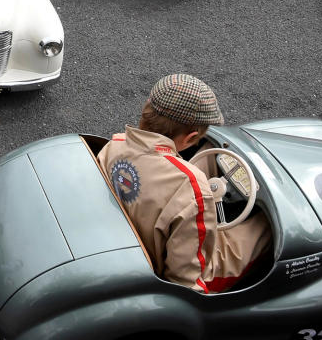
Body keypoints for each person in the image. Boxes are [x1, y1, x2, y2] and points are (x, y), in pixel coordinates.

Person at [97, 74, 272, 293]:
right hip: (172, 269)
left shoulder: (114, 145)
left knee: (208, 152)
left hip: (131, 233)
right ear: (189, 138)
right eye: (196, 139)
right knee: (265, 226)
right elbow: (186, 279)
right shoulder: (193, 188)